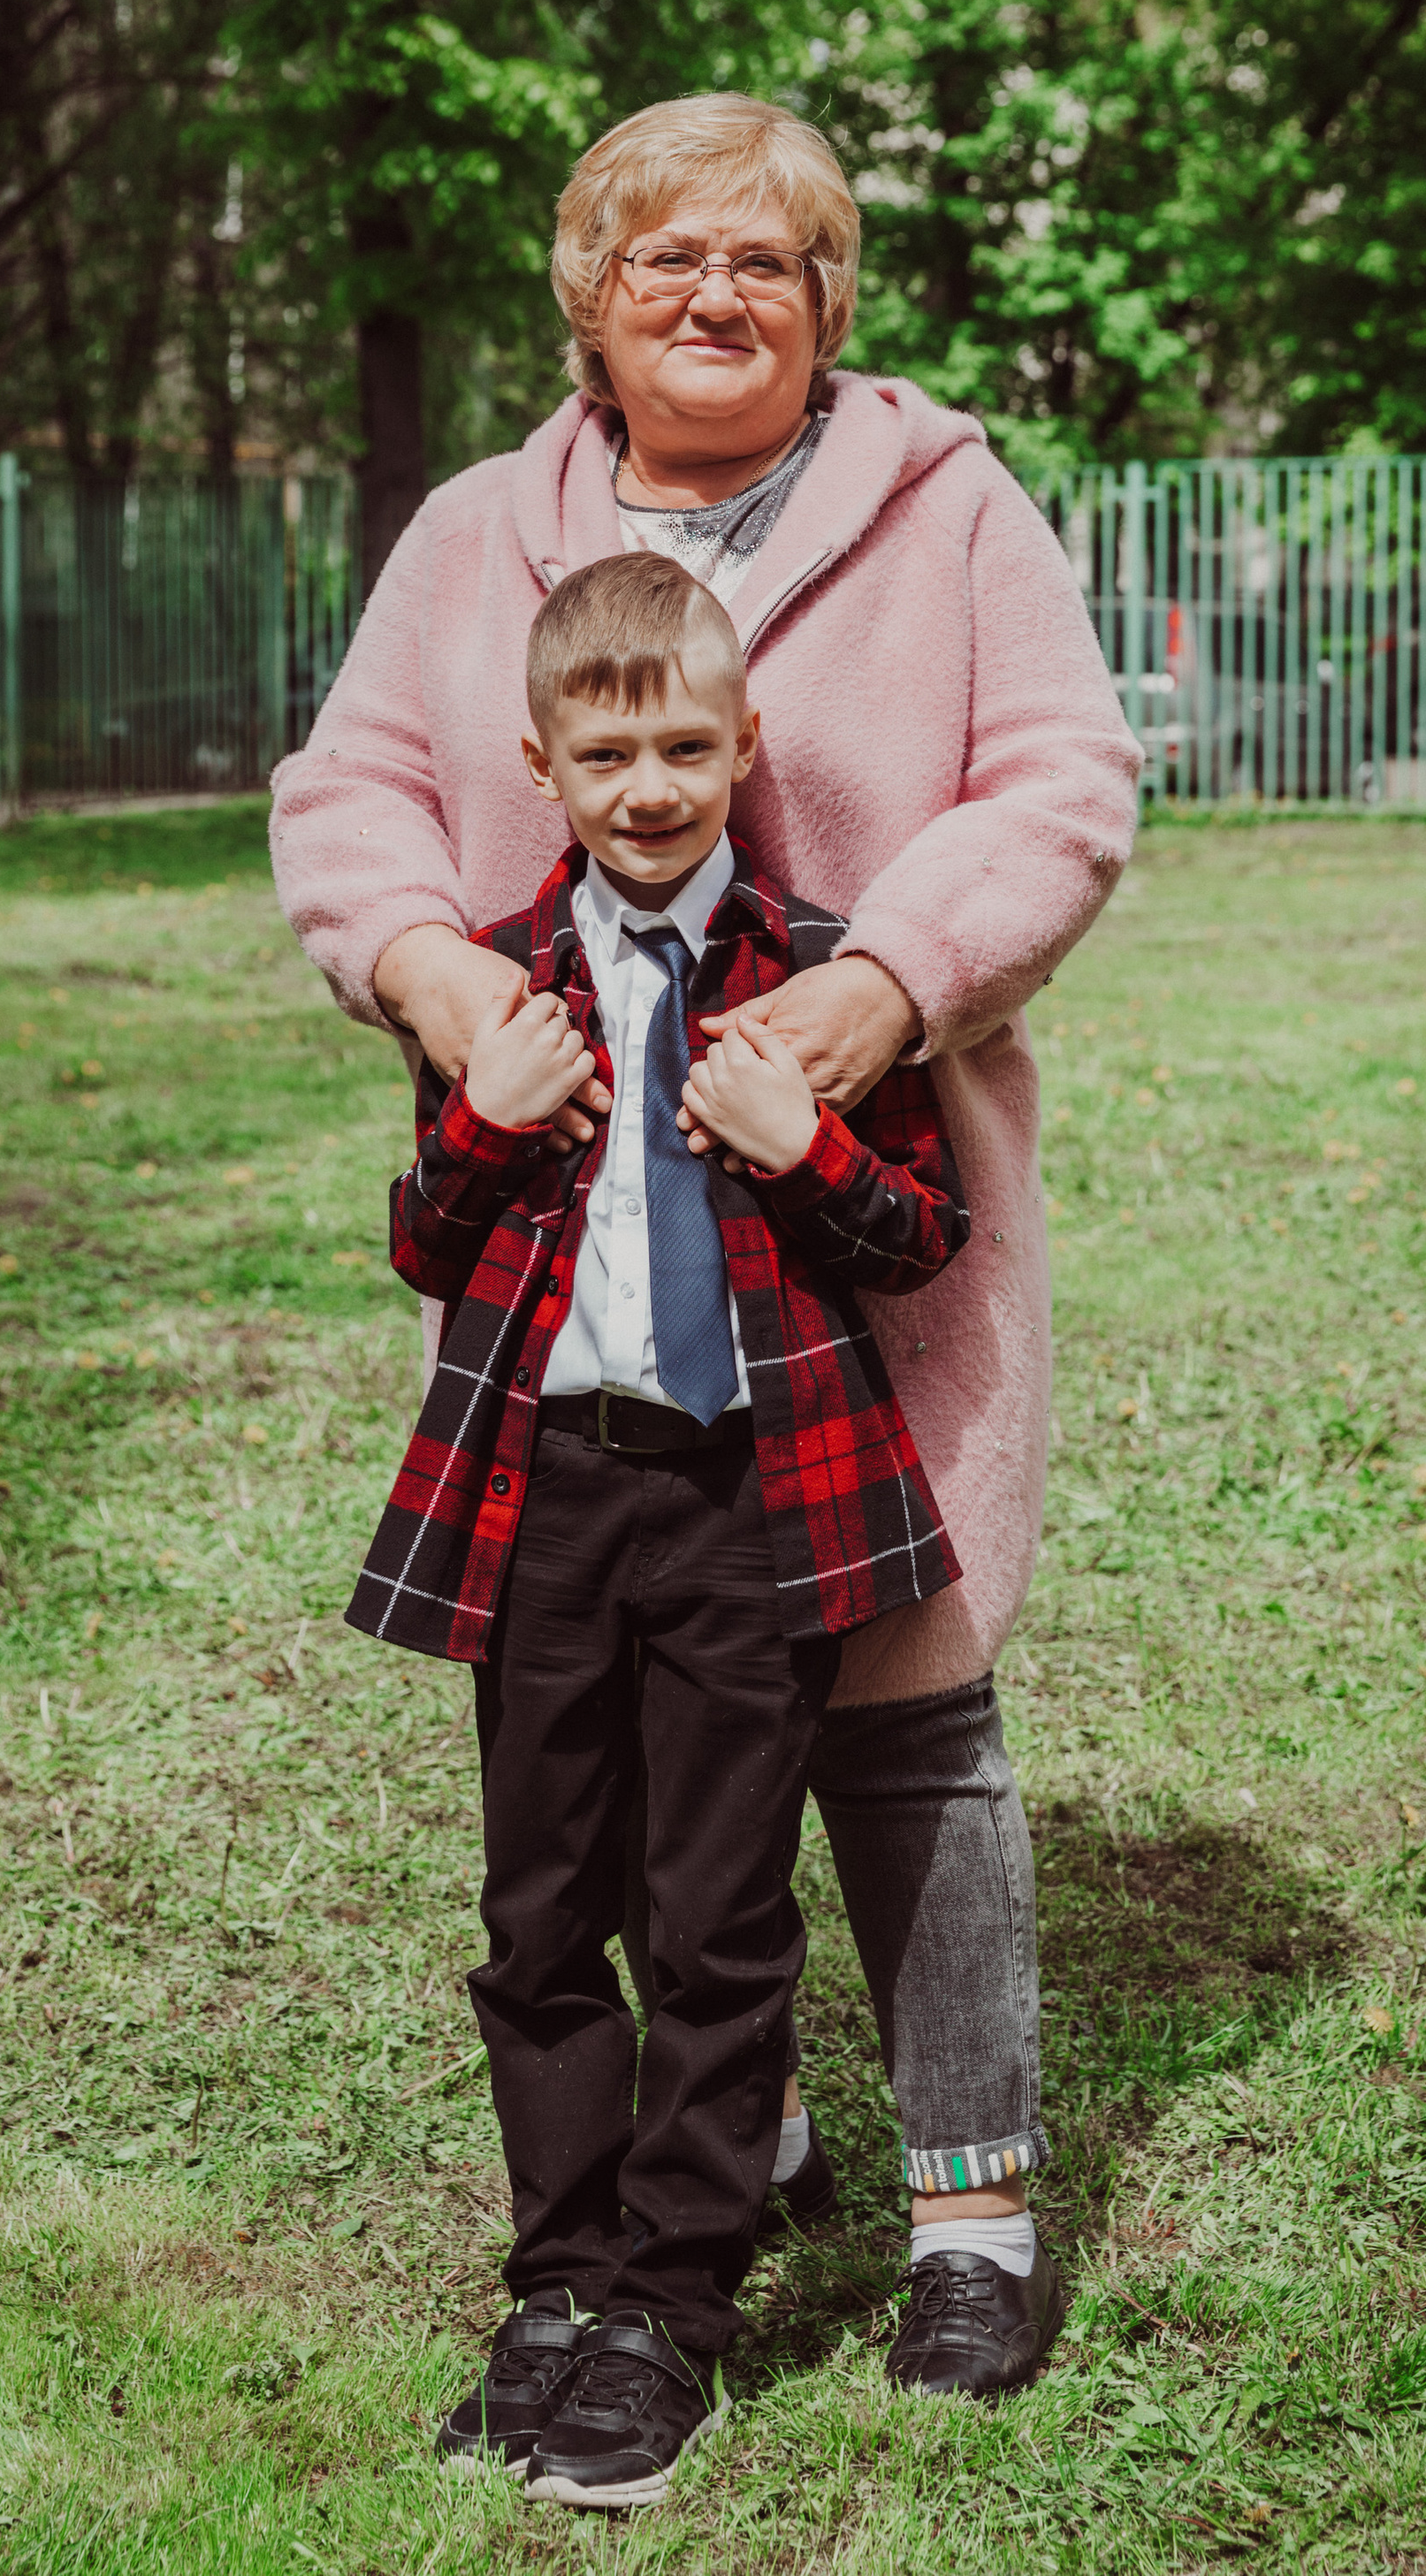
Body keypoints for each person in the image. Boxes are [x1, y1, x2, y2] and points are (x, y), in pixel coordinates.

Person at [271, 93, 1141, 2402]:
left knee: (910, 1704)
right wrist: (446, 992)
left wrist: (883, 989)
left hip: (864, 1214)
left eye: (763, 260)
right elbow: (348, 795)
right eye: (664, 262)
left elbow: (1066, 783)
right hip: (578, 1244)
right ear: (589, 300)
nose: (714, 296)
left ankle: (972, 2218)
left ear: (830, 300)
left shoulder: (944, 511)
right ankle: (719, 2151)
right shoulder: (481, 535)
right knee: (632, 1745)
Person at [359, 553, 968, 2507]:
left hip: (744, 1504)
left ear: (743, 747)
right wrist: (480, 1112)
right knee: (541, 1914)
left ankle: (668, 2316)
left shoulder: (825, 971)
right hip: (547, 1502)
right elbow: (424, 1249)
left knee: (713, 1916)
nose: (645, 786)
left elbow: (917, 1239)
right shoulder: (493, 979)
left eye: (683, 747)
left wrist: (813, 1152)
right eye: (604, 750)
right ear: (540, 760)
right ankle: (555, 2286)